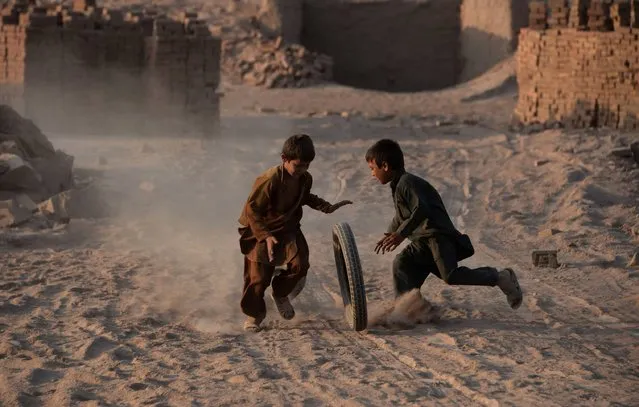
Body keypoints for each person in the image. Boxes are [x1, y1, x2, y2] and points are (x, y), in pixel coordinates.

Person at [365, 139, 523, 310]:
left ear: (385, 166)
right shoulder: (398, 186)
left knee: (450, 276)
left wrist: (401, 234)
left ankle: (500, 277)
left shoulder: (407, 182)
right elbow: (401, 216)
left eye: (373, 169)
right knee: (402, 263)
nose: (372, 174)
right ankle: (408, 308)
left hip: (437, 237)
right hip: (422, 241)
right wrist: (390, 234)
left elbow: (421, 209)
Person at [238, 134, 353, 331]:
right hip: (260, 229)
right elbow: (252, 209)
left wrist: (326, 206)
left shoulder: (305, 178)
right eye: (298, 166)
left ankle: (280, 294)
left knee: (300, 265)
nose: (302, 171)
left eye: (306, 166)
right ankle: (254, 317)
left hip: (288, 228)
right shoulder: (269, 179)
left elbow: (305, 197)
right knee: (258, 278)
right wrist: (265, 236)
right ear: (284, 159)